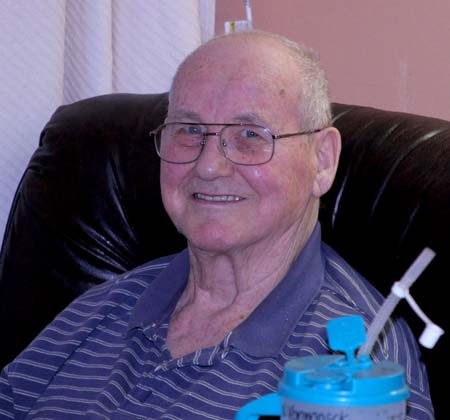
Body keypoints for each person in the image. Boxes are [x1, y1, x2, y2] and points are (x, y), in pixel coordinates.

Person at [0, 30, 434, 419]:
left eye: (250, 135)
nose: (208, 166)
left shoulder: (357, 367)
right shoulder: (100, 309)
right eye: (189, 130)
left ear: (322, 161)